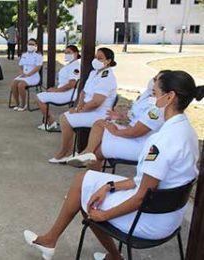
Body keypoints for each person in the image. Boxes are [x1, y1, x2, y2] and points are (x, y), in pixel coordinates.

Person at [23, 70, 204, 260]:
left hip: (150, 219)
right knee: (84, 179)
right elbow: (144, 181)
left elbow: (141, 197)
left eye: (157, 92)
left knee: (88, 201)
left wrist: (106, 214)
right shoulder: (187, 131)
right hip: (169, 214)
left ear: (170, 97)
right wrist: (110, 186)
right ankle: (53, 241)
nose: (154, 95)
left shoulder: (162, 141)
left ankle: (106, 255)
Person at [67, 71, 170, 169]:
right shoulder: (148, 95)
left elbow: (135, 132)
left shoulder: (159, 108)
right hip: (131, 132)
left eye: (157, 80)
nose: (153, 82)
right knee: (99, 124)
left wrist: (115, 131)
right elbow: (136, 115)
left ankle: (91, 175)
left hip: (140, 143)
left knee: (98, 150)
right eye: (154, 78)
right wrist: (120, 116)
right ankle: (87, 153)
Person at [49, 48, 118, 164]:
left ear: (108, 61)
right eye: (96, 57)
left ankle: (65, 152)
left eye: (100, 58)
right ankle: (68, 152)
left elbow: (96, 102)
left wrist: (79, 110)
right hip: (88, 110)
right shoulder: (93, 73)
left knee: (65, 119)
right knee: (65, 117)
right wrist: (78, 107)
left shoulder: (107, 77)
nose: (96, 60)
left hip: (99, 114)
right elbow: (83, 93)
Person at [35, 45, 81, 130]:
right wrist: (54, 89)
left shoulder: (75, 66)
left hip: (67, 94)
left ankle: (51, 122)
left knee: (39, 98)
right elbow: (63, 82)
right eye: (65, 52)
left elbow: (72, 84)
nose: (66, 54)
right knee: (41, 96)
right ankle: (49, 121)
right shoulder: (70, 64)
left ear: (76, 53)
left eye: (69, 52)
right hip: (63, 92)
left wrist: (56, 90)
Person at [10, 38, 43, 112]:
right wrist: (22, 73)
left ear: (36, 46)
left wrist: (28, 74)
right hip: (24, 74)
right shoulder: (24, 54)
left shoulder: (38, 56)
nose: (30, 46)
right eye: (29, 44)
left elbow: (38, 67)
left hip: (33, 76)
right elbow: (21, 65)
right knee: (13, 84)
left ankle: (23, 104)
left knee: (21, 85)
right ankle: (17, 103)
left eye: (32, 44)